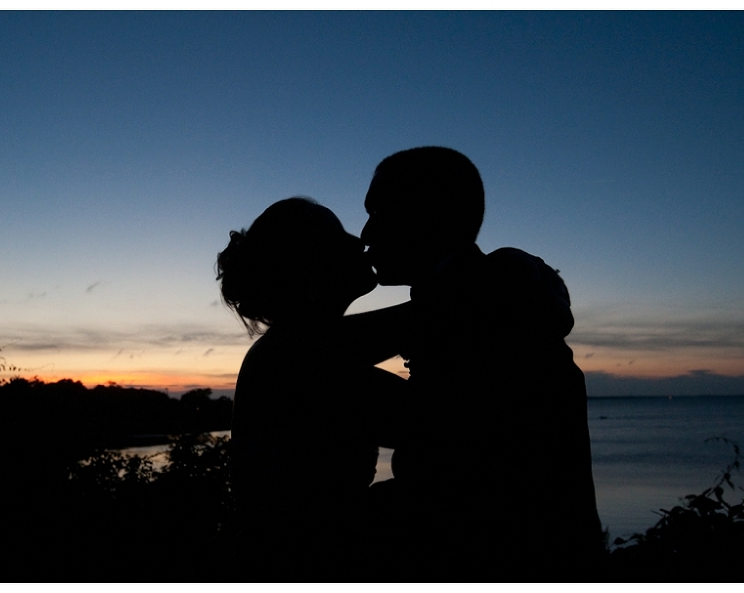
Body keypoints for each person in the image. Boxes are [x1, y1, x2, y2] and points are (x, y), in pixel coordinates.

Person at [361, 146, 604, 581]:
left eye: (379, 211)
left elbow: (471, 488)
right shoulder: (487, 294)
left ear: (433, 213)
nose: (364, 233)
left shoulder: (494, 305)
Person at [216, 197, 408, 581]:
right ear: (306, 268)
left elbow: (415, 320)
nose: (359, 242)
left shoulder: (296, 344)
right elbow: (440, 419)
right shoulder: (291, 358)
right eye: (337, 236)